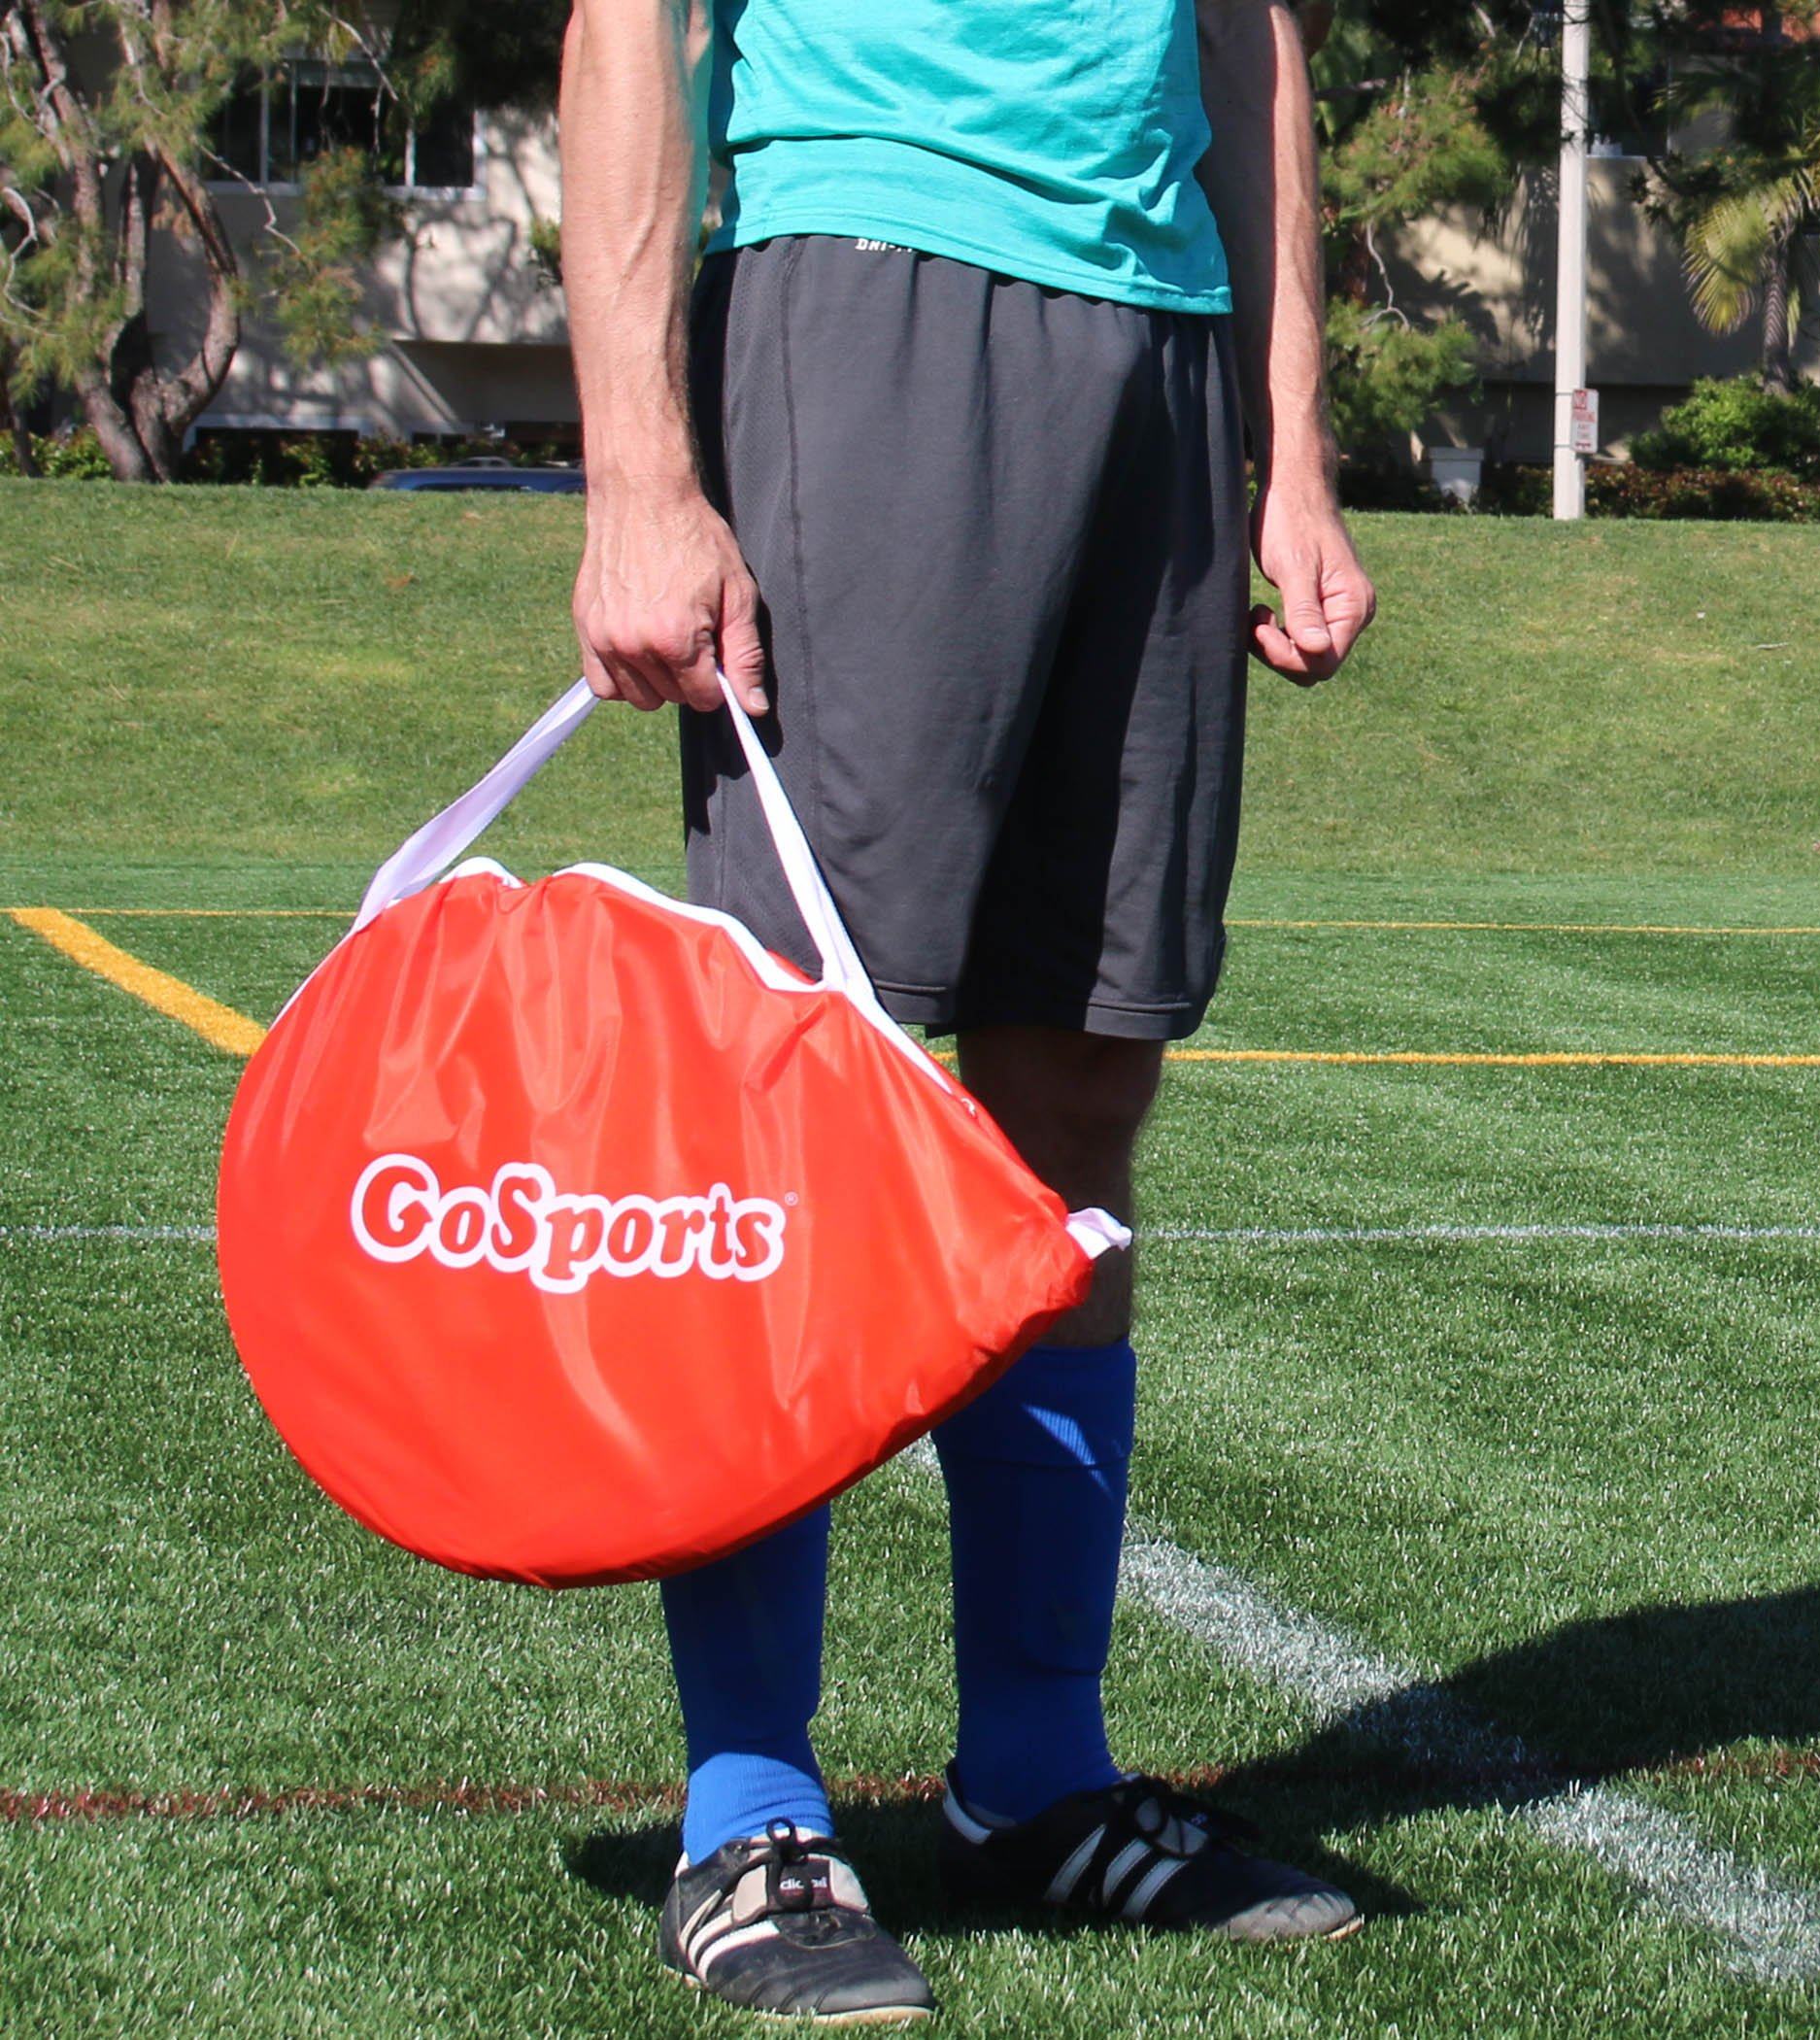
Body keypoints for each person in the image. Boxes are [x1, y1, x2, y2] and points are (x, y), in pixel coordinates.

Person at [558, 0, 1377, 2019]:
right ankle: (749, 1816)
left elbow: (1250, 39)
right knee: (798, 1084)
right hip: (872, 277)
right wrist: (639, 471)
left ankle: (1036, 1778)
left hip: (1162, 335)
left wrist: (1291, 444)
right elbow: (624, 21)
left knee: (1081, 1080)